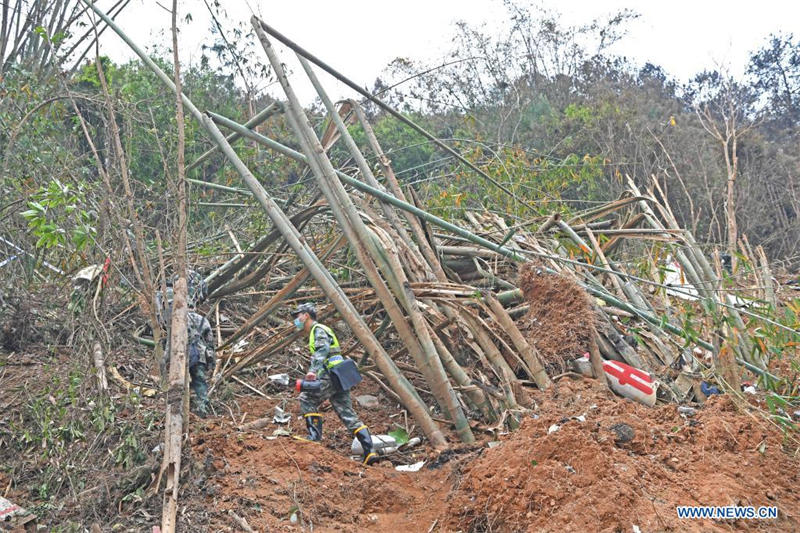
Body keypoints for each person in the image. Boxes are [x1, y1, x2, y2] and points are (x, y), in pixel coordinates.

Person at [291, 302, 378, 465]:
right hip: (340, 376)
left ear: (306, 315)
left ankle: (314, 438)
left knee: (306, 398)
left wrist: (313, 371)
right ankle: (369, 451)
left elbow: (322, 350)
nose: (296, 319)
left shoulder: (318, 330)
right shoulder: (319, 330)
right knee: (347, 413)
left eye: (298, 315)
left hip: (331, 374)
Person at [157, 270, 215, 417]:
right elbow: (209, 342)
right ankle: (202, 408)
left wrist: (166, 356)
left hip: (180, 353)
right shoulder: (201, 319)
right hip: (199, 355)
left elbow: (170, 337)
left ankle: (179, 410)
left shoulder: (174, 319)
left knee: (178, 383)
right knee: (199, 382)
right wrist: (211, 362)